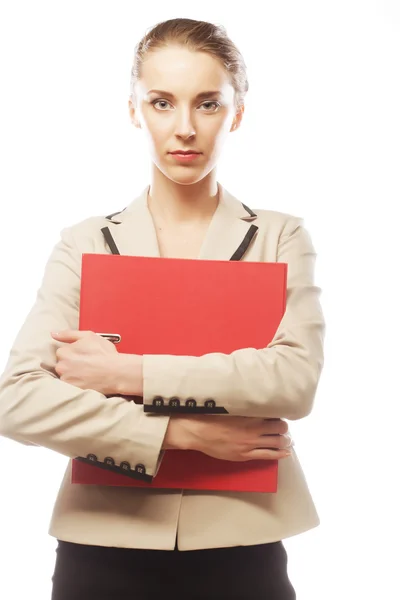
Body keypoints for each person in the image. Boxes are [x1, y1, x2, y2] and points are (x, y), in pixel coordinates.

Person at [0, 17, 325, 600]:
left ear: (237, 113)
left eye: (207, 104)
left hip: (241, 541)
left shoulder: (281, 237)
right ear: (133, 111)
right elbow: (18, 398)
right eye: (160, 102)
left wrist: (127, 372)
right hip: (102, 543)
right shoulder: (86, 242)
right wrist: (182, 433)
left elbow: (294, 380)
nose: (184, 128)